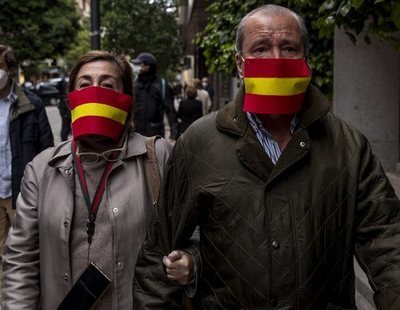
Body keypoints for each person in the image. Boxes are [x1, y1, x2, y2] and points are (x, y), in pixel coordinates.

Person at [133, 4, 400, 309]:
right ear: (240, 64)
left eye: (288, 48)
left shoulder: (347, 145)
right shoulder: (199, 142)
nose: (276, 59)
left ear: (306, 60)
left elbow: (387, 240)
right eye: (260, 48)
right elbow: (158, 253)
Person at [2, 50, 196, 309]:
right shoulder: (42, 169)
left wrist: (192, 261)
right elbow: (21, 262)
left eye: (107, 85)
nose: (94, 92)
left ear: (126, 100)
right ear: (70, 100)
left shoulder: (157, 157)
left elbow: (195, 229)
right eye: (84, 85)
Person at [0, 44, 53, 299]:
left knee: (26, 255)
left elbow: (47, 153)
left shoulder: (32, 104)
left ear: (9, 69)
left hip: (21, 195)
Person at [131, 52, 178, 141]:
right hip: (135, 134)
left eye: (139, 64)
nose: (136, 67)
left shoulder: (162, 85)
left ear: (147, 66)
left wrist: (174, 133)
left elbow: (170, 110)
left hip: (155, 136)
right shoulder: (134, 84)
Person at [56, 74, 71, 141]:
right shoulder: (62, 85)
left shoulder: (63, 94)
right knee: (65, 124)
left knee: (66, 124)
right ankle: (63, 139)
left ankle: (64, 138)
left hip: (64, 108)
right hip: (64, 108)